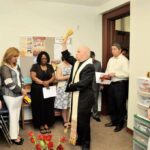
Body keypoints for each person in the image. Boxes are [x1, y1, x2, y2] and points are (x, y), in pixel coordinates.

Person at [61, 42, 95, 150]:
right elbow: (67, 56)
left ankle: (86, 144)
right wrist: (64, 44)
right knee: (77, 120)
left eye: (78, 51)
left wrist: (70, 86)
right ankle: (80, 139)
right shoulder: (77, 62)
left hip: (85, 98)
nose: (76, 53)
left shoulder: (89, 66)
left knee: (83, 122)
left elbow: (83, 84)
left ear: (85, 54)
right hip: (77, 96)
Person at [1, 47, 27, 145]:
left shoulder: (17, 66)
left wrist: (22, 88)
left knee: (16, 116)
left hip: (19, 94)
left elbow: (21, 78)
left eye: (17, 56)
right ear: (9, 56)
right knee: (13, 115)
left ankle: (15, 134)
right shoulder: (4, 67)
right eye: (14, 56)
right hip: (10, 95)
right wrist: (21, 90)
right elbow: (9, 83)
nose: (16, 58)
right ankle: (13, 137)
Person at [104, 42, 129, 132]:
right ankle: (113, 121)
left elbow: (127, 74)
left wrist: (115, 74)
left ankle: (120, 123)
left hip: (120, 85)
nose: (112, 51)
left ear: (120, 50)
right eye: (112, 49)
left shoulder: (124, 60)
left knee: (120, 105)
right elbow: (107, 71)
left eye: (114, 49)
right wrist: (105, 75)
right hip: (111, 84)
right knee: (111, 103)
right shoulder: (110, 59)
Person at [30, 51, 55, 134]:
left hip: (48, 90)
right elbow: (33, 77)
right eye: (42, 58)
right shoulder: (35, 66)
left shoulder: (50, 66)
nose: (44, 59)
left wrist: (47, 82)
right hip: (37, 90)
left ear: (47, 59)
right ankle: (40, 124)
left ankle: (46, 124)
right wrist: (43, 83)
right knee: (38, 107)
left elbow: (53, 77)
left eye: (45, 58)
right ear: (39, 58)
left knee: (48, 107)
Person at [54, 57, 72, 127]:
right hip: (63, 87)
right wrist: (68, 76)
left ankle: (69, 120)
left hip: (71, 87)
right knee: (64, 105)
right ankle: (65, 121)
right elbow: (57, 78)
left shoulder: (72, 65)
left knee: (69, 104)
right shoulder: (60, 65)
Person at [90, 51, 101, 122]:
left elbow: (100, 74)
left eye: (92, 58)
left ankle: (95, 115)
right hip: (86, 85)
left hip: (95, 85)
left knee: (95, 101)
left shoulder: (98, 63)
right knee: (86, 101)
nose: (91, 59)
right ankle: (86, 114)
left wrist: (101, 84)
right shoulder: (84, 62)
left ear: (94, 57)